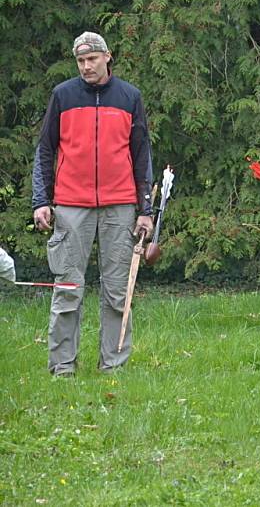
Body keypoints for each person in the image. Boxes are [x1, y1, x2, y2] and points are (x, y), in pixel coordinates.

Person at [31, 31, 154, 376]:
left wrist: (145, 210)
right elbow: (45, 150)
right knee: (68, 288)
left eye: (92, 59)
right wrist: (42, 201)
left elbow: (142, 154)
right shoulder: (63, 95)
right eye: (81, 61)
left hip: (121, 205)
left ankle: (113, 366)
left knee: (118, 292)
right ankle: (63, 367)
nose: (86, 66)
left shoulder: (130, 97)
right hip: (70, 205)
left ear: (107, 57)